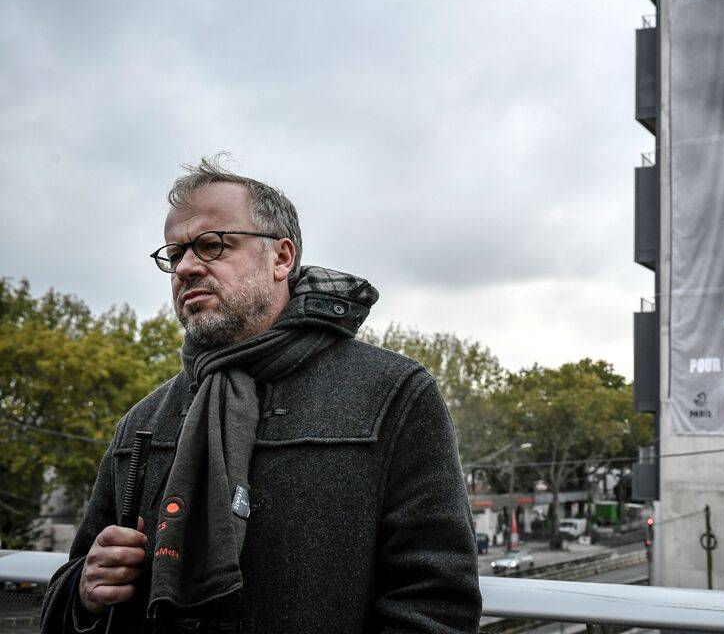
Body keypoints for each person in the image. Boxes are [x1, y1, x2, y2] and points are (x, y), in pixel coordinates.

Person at [41, 159, 481, 633]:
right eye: (174, 254)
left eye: (211, 246)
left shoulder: (393, 394)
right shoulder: (145, 419)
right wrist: (84, 593)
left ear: (281, 258)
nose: (186, 267)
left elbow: (437, 603)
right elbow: (74, 585)